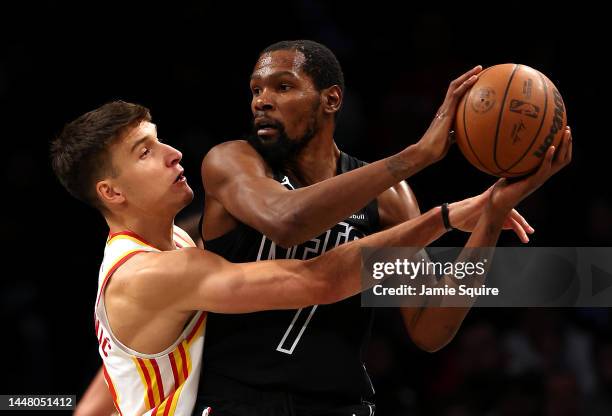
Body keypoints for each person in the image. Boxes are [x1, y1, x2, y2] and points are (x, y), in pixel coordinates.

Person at [53, 100, 562, 416]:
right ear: (111, 192)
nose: (173, 153)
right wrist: (444, 215)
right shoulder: (153, 273)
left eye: (159, 138)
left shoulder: (175, 245)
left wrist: (485, 218)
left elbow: (110, 383)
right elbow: (316, 279)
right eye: (145, 151)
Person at [193, 40, 572, 415]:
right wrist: (417, 156)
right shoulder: (233, 160)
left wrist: (490, 217)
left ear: (331, 99)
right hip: (238, 400)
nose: (262, 100)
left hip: (338, 404)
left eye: (283, 86)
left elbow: (430, 327)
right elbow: (287, 222)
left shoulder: (389, 198)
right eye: (256, 90)